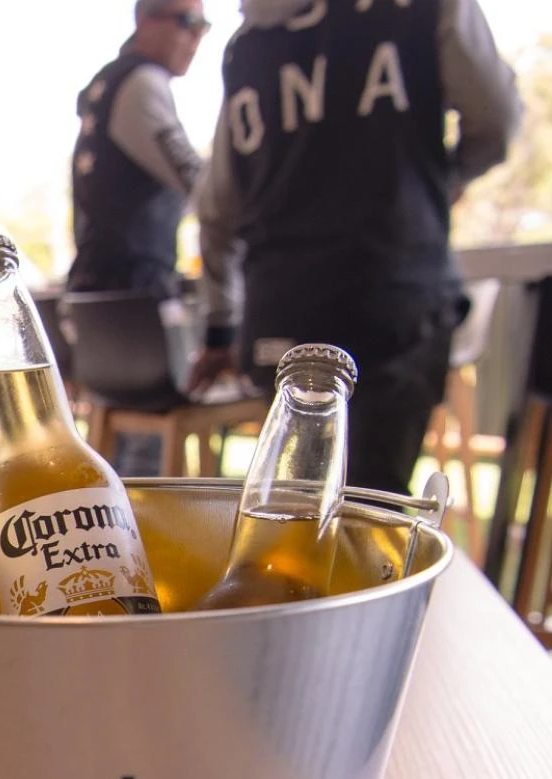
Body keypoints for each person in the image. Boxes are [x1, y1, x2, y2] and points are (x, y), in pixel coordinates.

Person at [186, 0, 521, 495]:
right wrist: (437, 180)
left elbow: (217, 207)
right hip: (392, 290)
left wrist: (219, 326)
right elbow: (496, 123)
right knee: (372, 501)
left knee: (290, 500)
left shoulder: (248, 46)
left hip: (280, 306)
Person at [67, 0, 211, 298]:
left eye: (204, 27)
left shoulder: (110, 82)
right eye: (189, 23)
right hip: (132, 287)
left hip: (101, 281)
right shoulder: (141, 83)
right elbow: (203, 186)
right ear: (146, 22)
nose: (197, 37)